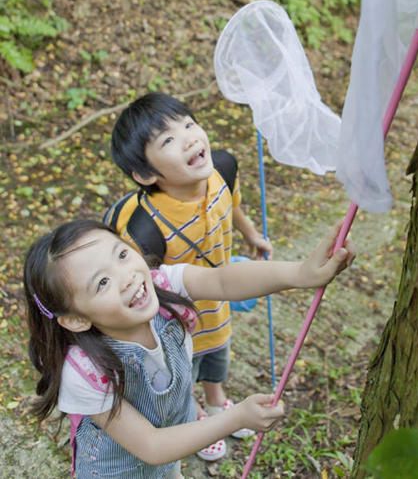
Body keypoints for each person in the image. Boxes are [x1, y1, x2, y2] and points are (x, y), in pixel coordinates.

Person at [24, 217, 355, 479]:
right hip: (115, 471)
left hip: (172, 449)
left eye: (122, 255)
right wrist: (236, 417)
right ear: (76, 319)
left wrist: (299, 273)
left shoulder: (163, 285)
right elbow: (151, 446)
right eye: (102, 283)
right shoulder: (85, 372)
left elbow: (224, 280)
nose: (127, 277)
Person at [109, 92, 273, 457]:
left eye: (188, 124)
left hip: (218, 298)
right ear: (145, 174)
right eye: (168, 140)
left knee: (219, 354)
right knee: (184, 368)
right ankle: (196, 416)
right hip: (175, 316)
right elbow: (137, 285)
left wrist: (251, 235)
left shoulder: (223, 170)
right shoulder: (143, 227)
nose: (190, 137)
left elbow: (232, 204)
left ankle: (217, 401)